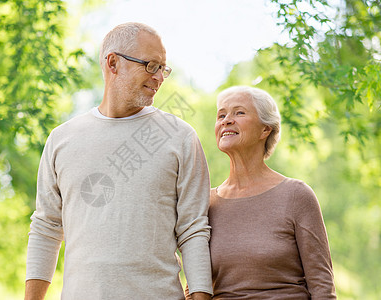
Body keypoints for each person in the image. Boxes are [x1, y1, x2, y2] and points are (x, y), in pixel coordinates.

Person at [24, 22, 213, 300]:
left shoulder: (180, 136)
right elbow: (46, 228)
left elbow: (193, 229)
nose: (160, 77)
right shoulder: (61, 140)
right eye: (151, 66)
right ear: (113, 63)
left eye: (163, 68)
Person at [206, 85, 336, 299]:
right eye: (221, 114)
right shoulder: (207, 202)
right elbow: (195, 283)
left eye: (239, 112)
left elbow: (322, 286)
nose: (226, 120)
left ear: (265, 129)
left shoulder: (296, 195)